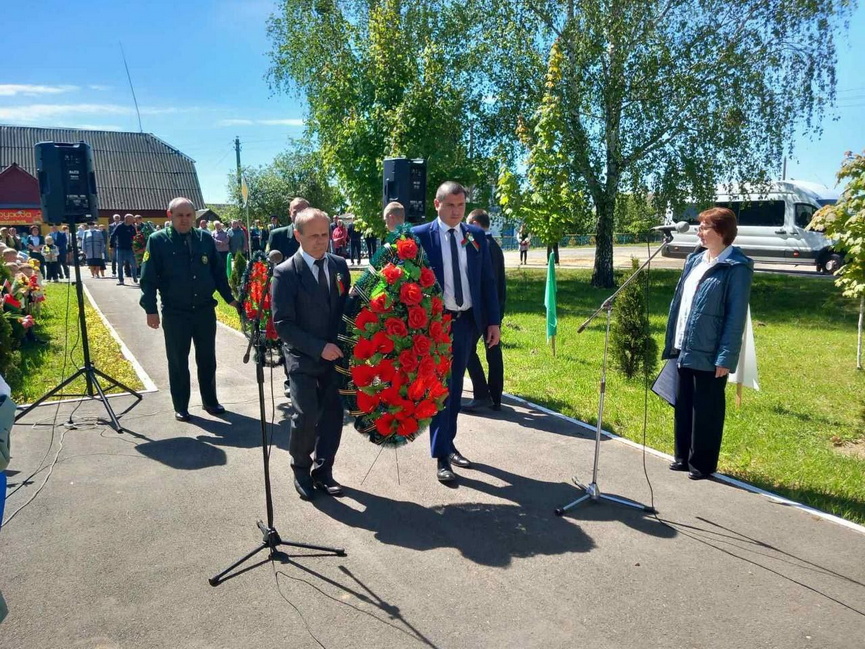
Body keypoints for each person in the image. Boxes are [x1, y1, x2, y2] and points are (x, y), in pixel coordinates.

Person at [412, 181, 501, 484]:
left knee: (454, 387)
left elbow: (487, 281)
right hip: (435, 324)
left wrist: (493, 322)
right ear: (436, 204)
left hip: (467, 323)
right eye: (449, 205)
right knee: (441, 389)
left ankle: (448, 444)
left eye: (460, 205)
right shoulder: (419, 236)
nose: (455, 211)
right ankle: (441, 455)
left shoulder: (475, 236)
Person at [661, 207, 753, 481]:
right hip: (684, 343)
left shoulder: (737, 267)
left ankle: (702, 463)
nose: (699, 231)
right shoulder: (695, 260)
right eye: (699, 226)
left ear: (722, 232)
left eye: (704, 227)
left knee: (707, 408)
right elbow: (682, 302)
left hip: (711, 350)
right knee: (684, 402)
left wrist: (726, 357)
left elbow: (735, 316)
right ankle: (682, 456)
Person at [271, 207, 351, 500]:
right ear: (297, 235)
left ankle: (324, 470)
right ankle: (301, 469)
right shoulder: (286, 273)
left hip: (336, 356)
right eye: (314, 235)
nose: (321, 241)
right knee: (305, 416)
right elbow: (283, 324)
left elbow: (344, 309)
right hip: (303, 356)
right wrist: (319, 347)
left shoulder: (339, 265)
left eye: (325, 234)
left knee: (332, 415)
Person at [139, 197, 239, 422]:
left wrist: (230, 298)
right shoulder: (157, 241)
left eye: (188, 215)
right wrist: (150, 309)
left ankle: (210, 401)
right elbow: (148, 278)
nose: (184, 220)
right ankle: (181, 406)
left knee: (207, 359)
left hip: (204, 311)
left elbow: (217, 272)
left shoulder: (204, 238)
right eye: (179, 215)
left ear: (194, 216)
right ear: (170, 215)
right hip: (176, 313)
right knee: (177, 361)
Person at [463, 209, 506, 413]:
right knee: (493, 352)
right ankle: (495, 397)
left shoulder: (481, 246)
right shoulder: (495, 246)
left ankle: (482, 393)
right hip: (496, 308)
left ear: (475, 223)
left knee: (466, 349)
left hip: (482, 310)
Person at [268, 197, 309, 397]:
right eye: (295, 210)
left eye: (303, 209)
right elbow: (272, 266)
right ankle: (289, 378)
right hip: (287, 296)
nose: (298, 213)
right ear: (289, 213)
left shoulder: (314, 232)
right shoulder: (277, 235)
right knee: (288, 338)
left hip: (311, 295)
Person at [110, 213, 138, 285]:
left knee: (133, 264)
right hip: (120, 248)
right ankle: (121, 280)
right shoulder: (120, 226)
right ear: (126, 219)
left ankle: (135, 278)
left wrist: (136, 246)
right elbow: (113, 235)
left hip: (130, 249)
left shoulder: (132, 227)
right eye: (131, 219)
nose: (133, 220)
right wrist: (111, 246)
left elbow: (136, 237)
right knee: (120, 265)